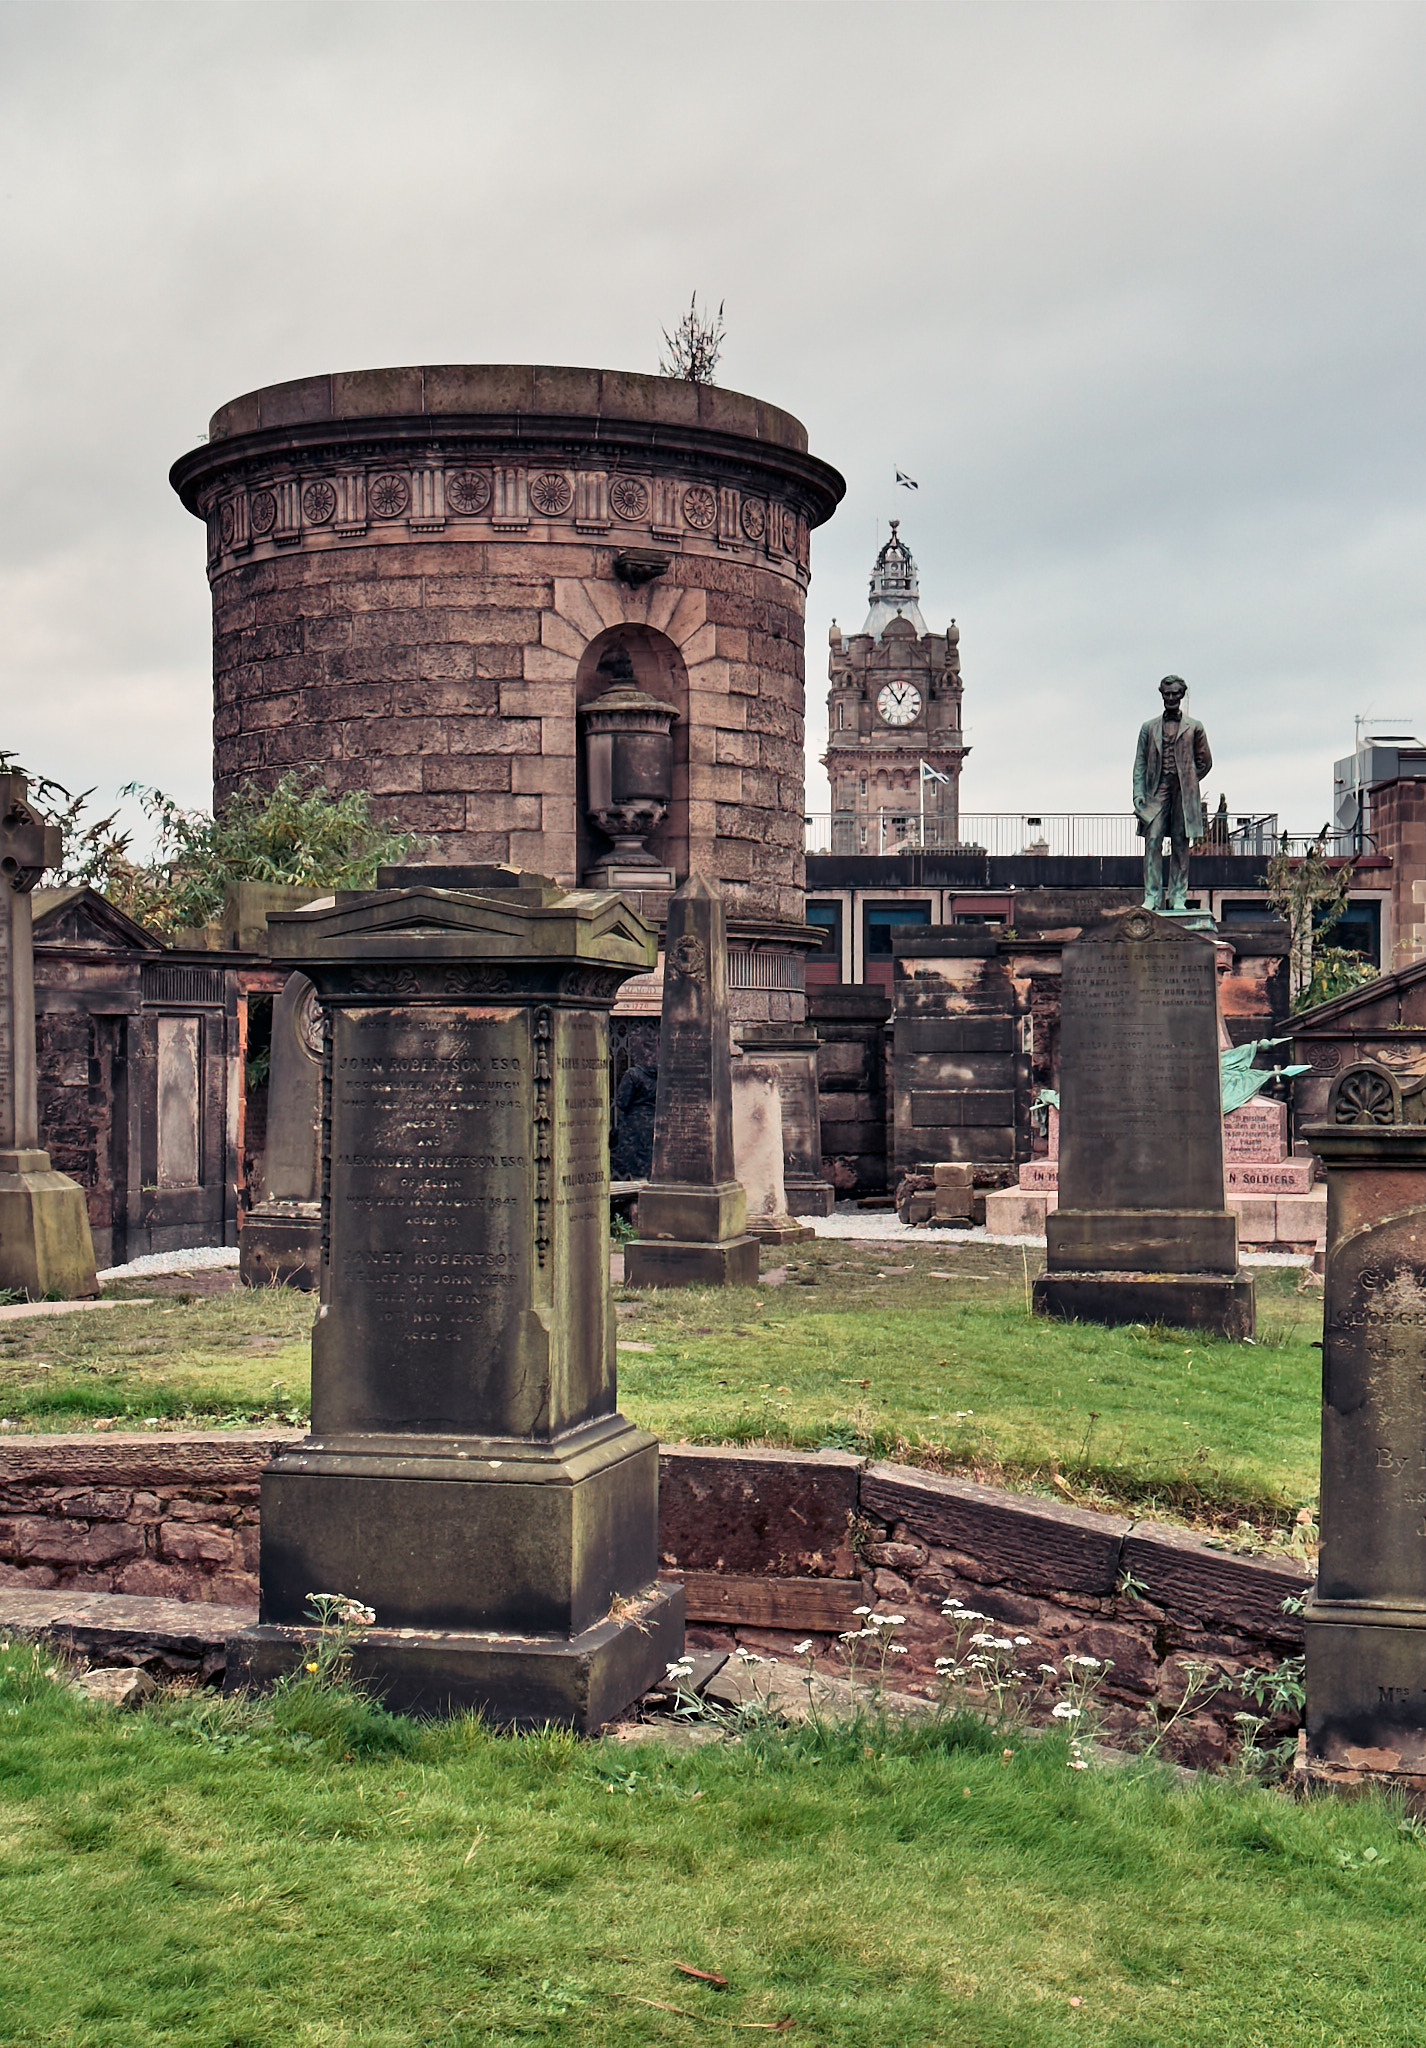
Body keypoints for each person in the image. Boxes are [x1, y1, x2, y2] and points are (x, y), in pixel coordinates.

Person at [1132, 675, 1212, 911]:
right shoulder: (1148, 728)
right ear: (1162, 695)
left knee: (1180, 842)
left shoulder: (1195, 727)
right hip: (1157, 790)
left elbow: (1205, 761)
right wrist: (1138, 794)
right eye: (1167, 694)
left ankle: (1178, 897)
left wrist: (1189, 779)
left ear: (1181, 695)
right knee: (1153, 839)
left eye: (1175, 693)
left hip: (1183, 793)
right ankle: (1153, 897)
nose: (1171, 698)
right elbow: (1140, 764)